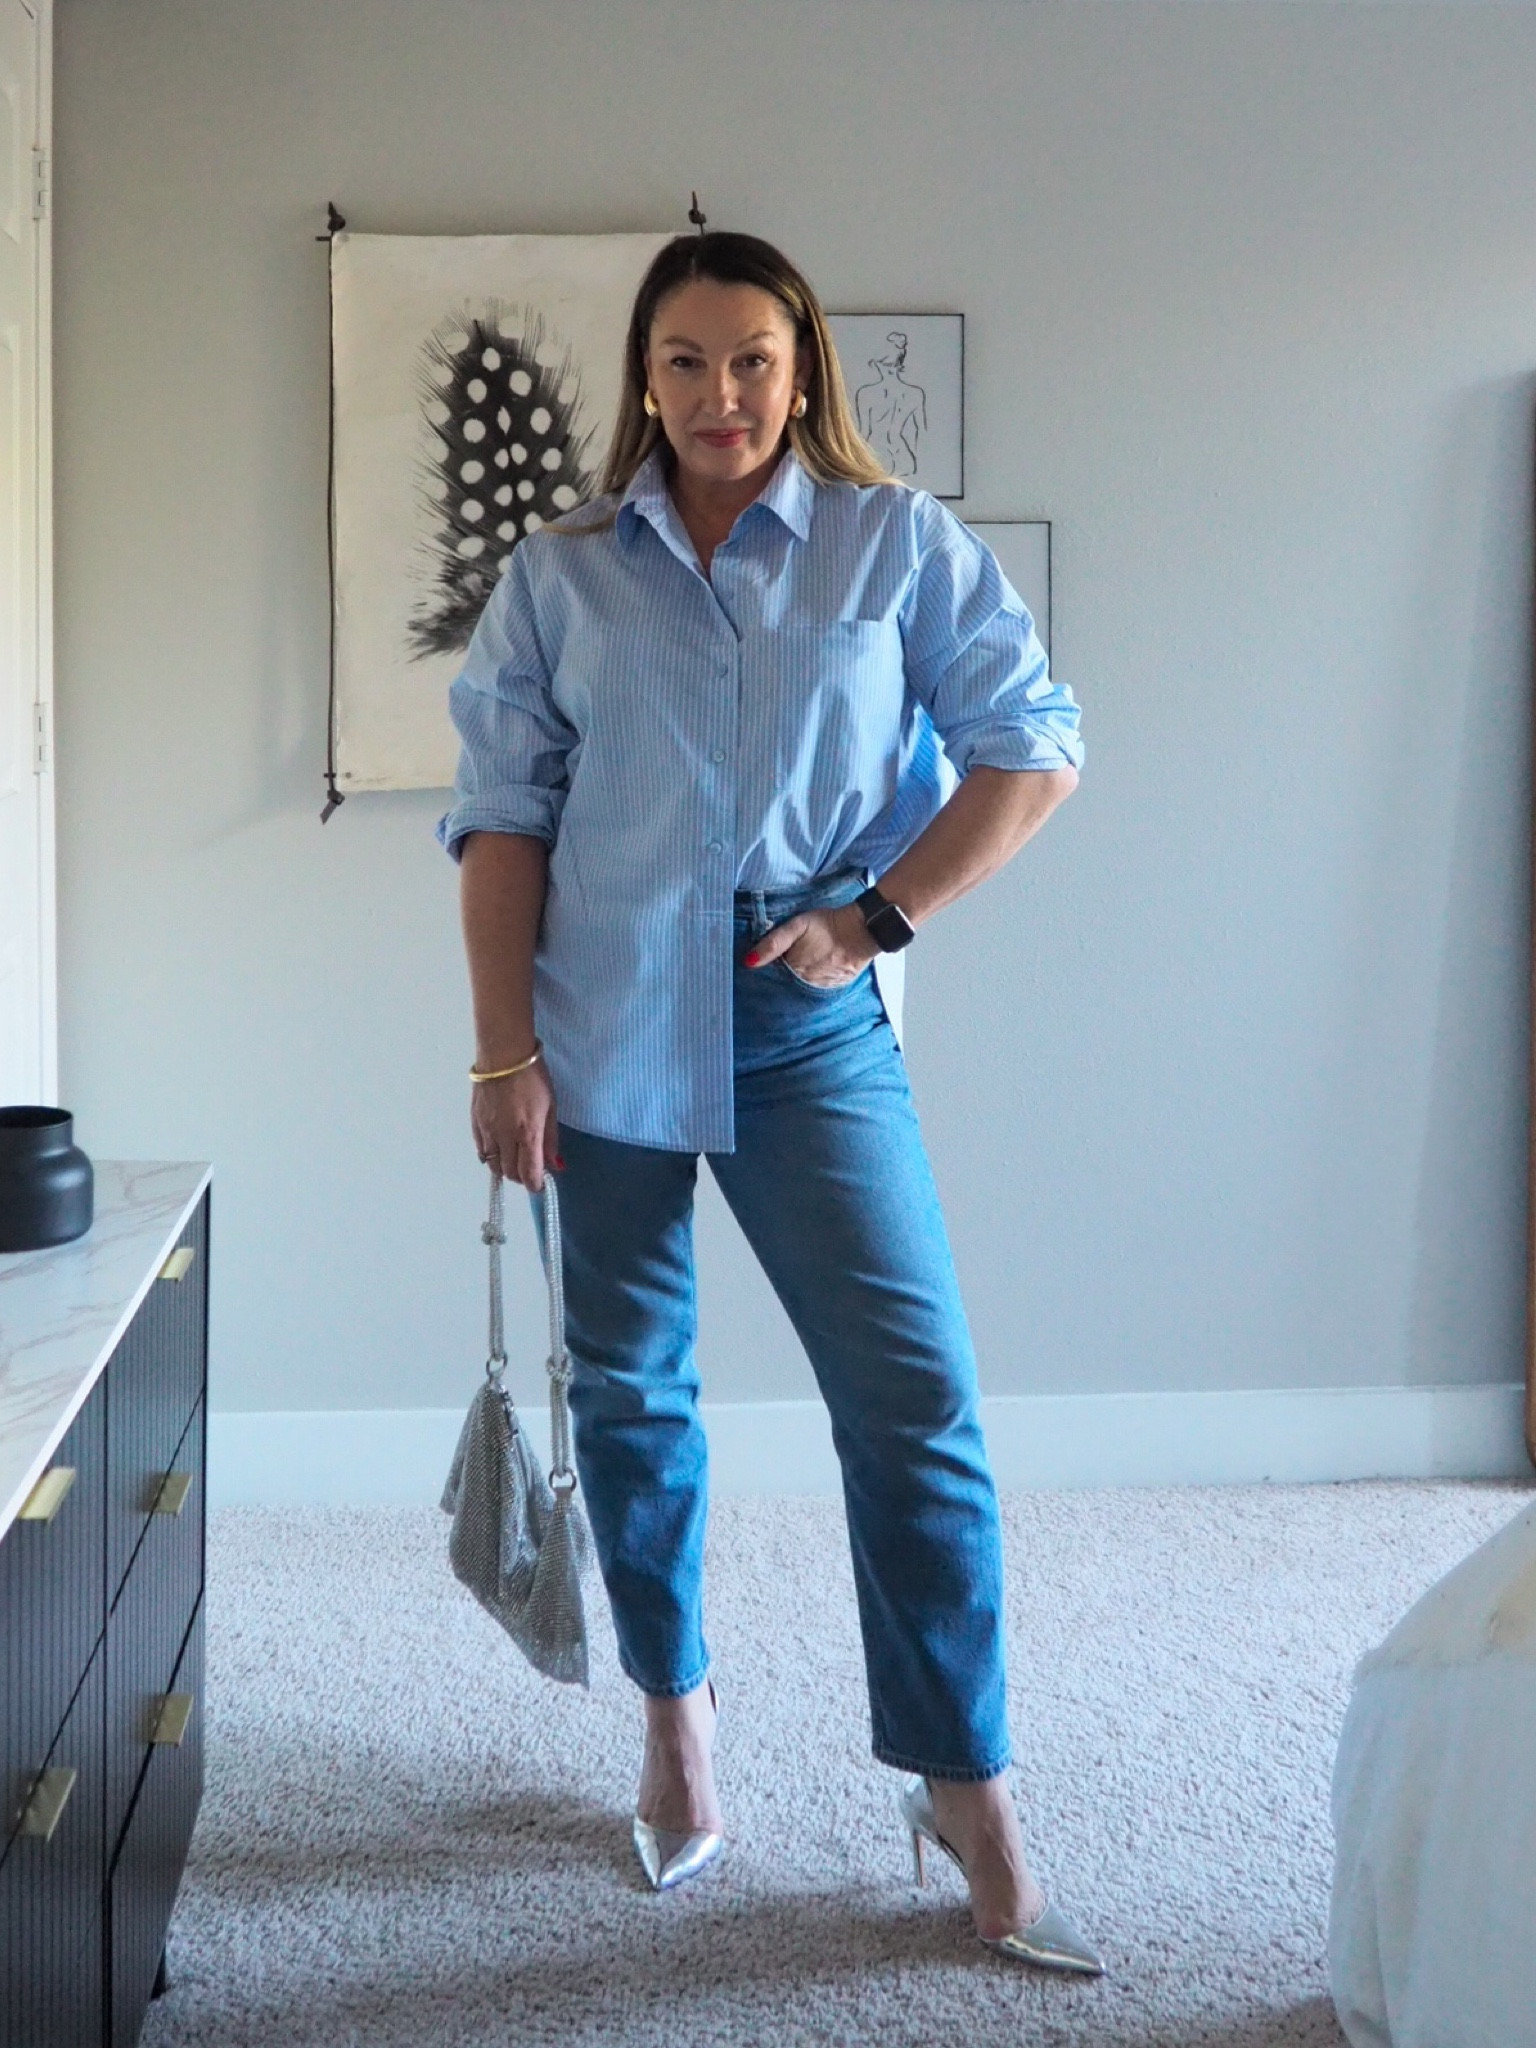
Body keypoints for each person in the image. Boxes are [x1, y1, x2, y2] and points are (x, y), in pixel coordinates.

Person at [439, 231, 1099, 1974]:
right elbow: (501, 820)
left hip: (807, 1025)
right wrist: (504, 1054)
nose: (718, 397)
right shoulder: (564, 572)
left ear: (800, 369)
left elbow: (1035, 745)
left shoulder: (897, 547)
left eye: (750, 361)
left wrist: (877, 916)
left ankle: (964, 1783)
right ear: (641, 379)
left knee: (916, 1404)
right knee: (637, 1399)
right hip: (605, 1022)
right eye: (682, 363)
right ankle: (676, 1723)